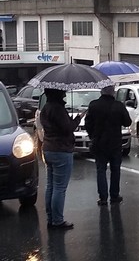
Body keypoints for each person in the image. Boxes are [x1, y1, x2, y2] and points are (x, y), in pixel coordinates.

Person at [40, 88, 85, 230]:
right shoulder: (58, 109)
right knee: (60, 187)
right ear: (57, 93)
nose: (65, 93)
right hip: (61, 150)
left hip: (48, 148)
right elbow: (68, 128)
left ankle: (50, 218)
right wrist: (78, 118)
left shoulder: (46, 108)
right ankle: (57, 220)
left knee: (51, 186)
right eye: (62, 92)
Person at [85, 85, 132, 206]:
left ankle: (103, 197)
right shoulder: (119, 105)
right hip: (115, 143)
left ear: (101, 91)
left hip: (99, 143)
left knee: (101, 170)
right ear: (113, 92)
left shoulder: (93, 105)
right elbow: (128, 122)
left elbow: (88, 123)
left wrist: (92, 136)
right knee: (115, 170)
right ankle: (114, 195)